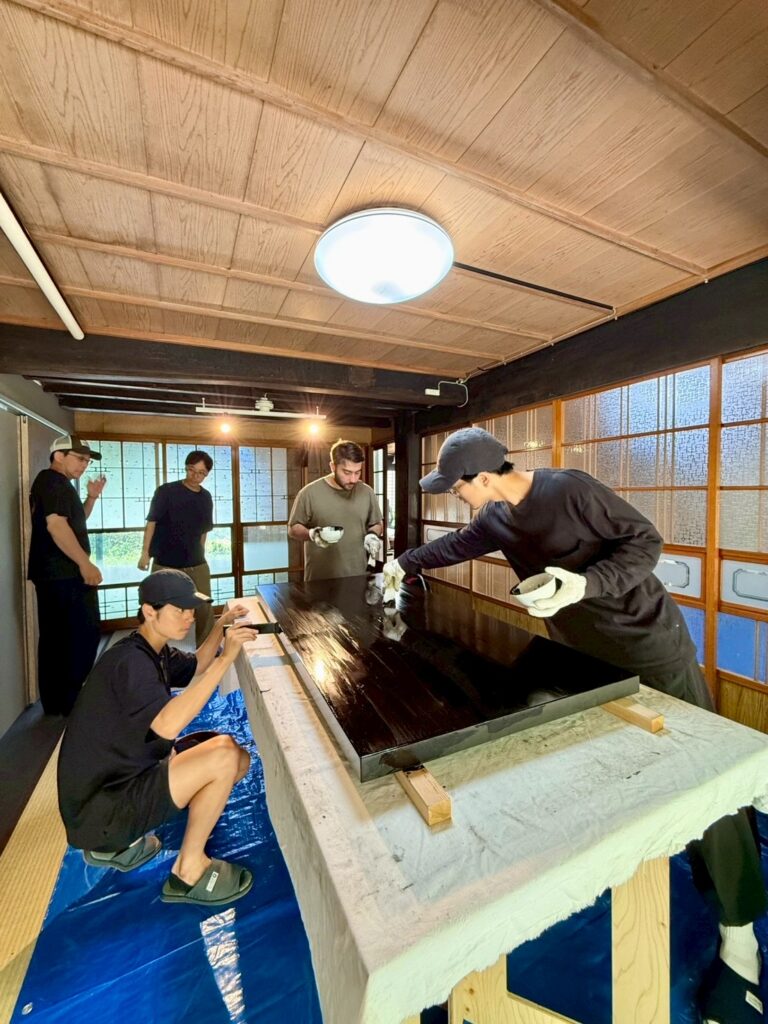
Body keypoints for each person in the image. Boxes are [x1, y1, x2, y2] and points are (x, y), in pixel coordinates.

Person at [383, 426, 766, 1024]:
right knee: (518, 702)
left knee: (707, 769)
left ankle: (739, 933)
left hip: (647, 645)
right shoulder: (494, 517)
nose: (452, 495)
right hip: (580, 652)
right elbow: (451, 547)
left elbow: (646, 541)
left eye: (454, 485)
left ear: (482, 477)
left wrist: (585, 584)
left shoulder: (570, 490)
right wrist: (400, 563)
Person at [57, 568, 256, 907]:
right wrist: (228, 659)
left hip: (109, 788)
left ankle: (119, 846)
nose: (189, 617)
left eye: (191, 609)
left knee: (231, 755)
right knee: (223, 755)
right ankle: (188, 872)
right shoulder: (132, 663)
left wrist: (223, 623)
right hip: (101, 812)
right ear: (150, 611)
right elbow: (168, 724)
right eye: (179, 610)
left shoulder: (150, 649)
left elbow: (196, 665)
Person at [28, 434, 106, 716]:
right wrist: (85, 564)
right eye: (80, 458)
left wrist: (92, 497)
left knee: (62, 636)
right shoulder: (52, 482)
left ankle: (61, 701)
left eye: (87, 460)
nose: (84, 465)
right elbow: (57, 526)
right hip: (62, 574)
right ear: (59, 456)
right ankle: (67, 701)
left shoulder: (58, 485)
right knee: (78, 634)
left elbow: (74, 522)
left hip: (58, 574)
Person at [138, 450, 215, 644]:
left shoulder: (205, 497)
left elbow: (205, 529)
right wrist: (144, 553)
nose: (195, 476)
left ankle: (206, 646)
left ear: (207, 474)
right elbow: (152, 522)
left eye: (201, 473)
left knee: (204, 604)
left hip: (196, 562)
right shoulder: (166, 491)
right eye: (192, 470)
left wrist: (201, 552)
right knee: (159, 606)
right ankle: (153, 646)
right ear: (186, 468)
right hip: (165, 561)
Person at [288, 439, 384, 581]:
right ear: (333, 466)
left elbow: (377, 523)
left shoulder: (366, 492)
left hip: (358, 577)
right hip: (320, 579)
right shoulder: (309, 493)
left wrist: (372, 535)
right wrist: (312, 534)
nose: (353, 479)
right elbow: (293, 528)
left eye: (357, 472)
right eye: (347, 472)